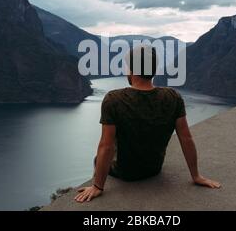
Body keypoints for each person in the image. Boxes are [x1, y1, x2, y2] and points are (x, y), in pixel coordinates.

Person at [75, 45, 221, 203]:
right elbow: (186, 138)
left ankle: (96, 184)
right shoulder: (173, 97)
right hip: (154, 169)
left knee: (98, 158)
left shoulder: (114, 99)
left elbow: (106, 146)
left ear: (133, 70)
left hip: (126, 173)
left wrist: (98, 186)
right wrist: (196, 176)